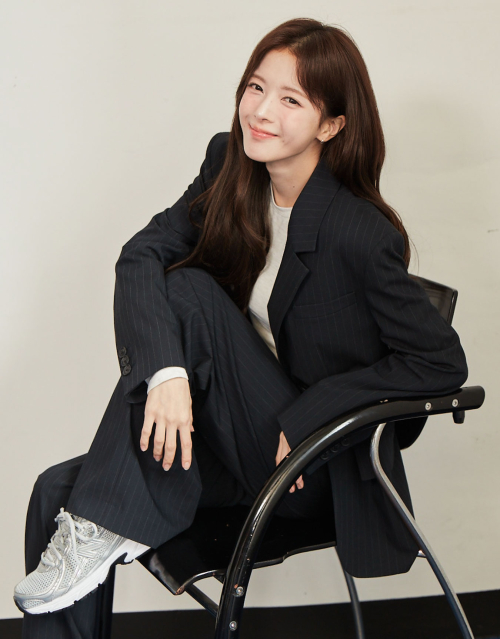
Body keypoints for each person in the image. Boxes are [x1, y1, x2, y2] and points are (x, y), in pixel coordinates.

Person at [14, 16, 468, 638]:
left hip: (309, 464)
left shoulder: (359, 232)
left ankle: (98, 524)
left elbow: (441, 362)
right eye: (256, 87)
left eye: (291, 100)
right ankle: (94, 526)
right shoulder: (230, 164)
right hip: (233, 436)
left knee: (191, 291)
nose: (261, 111)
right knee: (56, 490)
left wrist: (311, 414)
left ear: (331, 125)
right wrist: (167, 376)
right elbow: (140, 253)